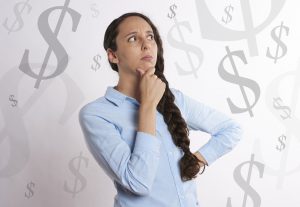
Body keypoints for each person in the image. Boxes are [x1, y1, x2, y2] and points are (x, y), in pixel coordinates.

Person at [79, 12, 243, 207]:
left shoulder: (175, 99)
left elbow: (231, 129)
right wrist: (147, 106)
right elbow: (138, 183)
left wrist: (195, 161)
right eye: (133, 38)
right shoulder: (96, 115)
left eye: (150, 37)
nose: (146, 44)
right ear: (113, 55)